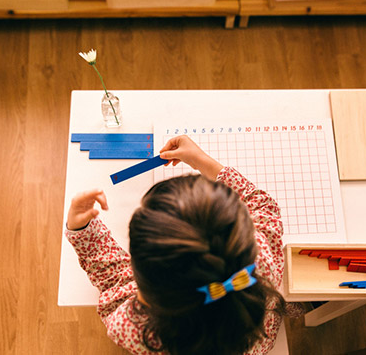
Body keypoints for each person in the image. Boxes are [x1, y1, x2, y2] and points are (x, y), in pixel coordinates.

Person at [65, 135, 298, 355]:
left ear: (144, 293)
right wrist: (201, 160)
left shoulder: (133, 328)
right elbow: (262, 205)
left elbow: (113, 279)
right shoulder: (261, 258)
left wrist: (82, 230)